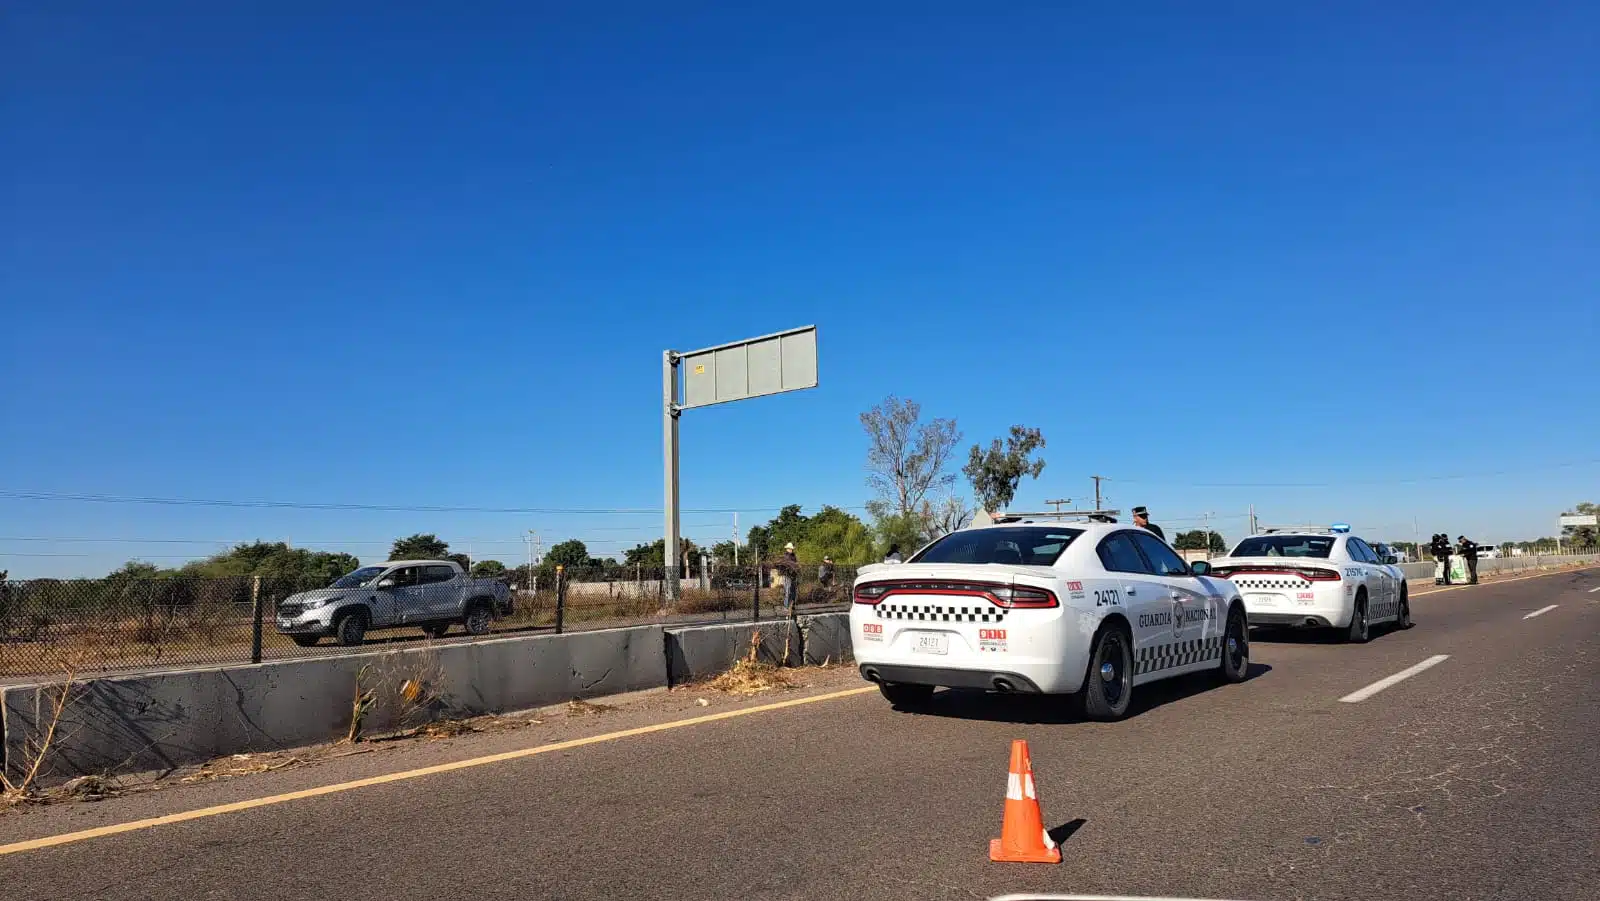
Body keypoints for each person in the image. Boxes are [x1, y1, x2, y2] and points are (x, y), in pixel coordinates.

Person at [777, 542, 801, 612]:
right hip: (787, 575)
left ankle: (792, 606)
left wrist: (797, 568)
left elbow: (796, 565)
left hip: (793, 575)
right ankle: (786, 606)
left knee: (793, 591)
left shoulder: (794, 556)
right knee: (788, 591)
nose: (791, 550)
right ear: (787, 549)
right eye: (790, 549)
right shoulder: (785, 556)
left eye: (792, 549)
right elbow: (784, 566)